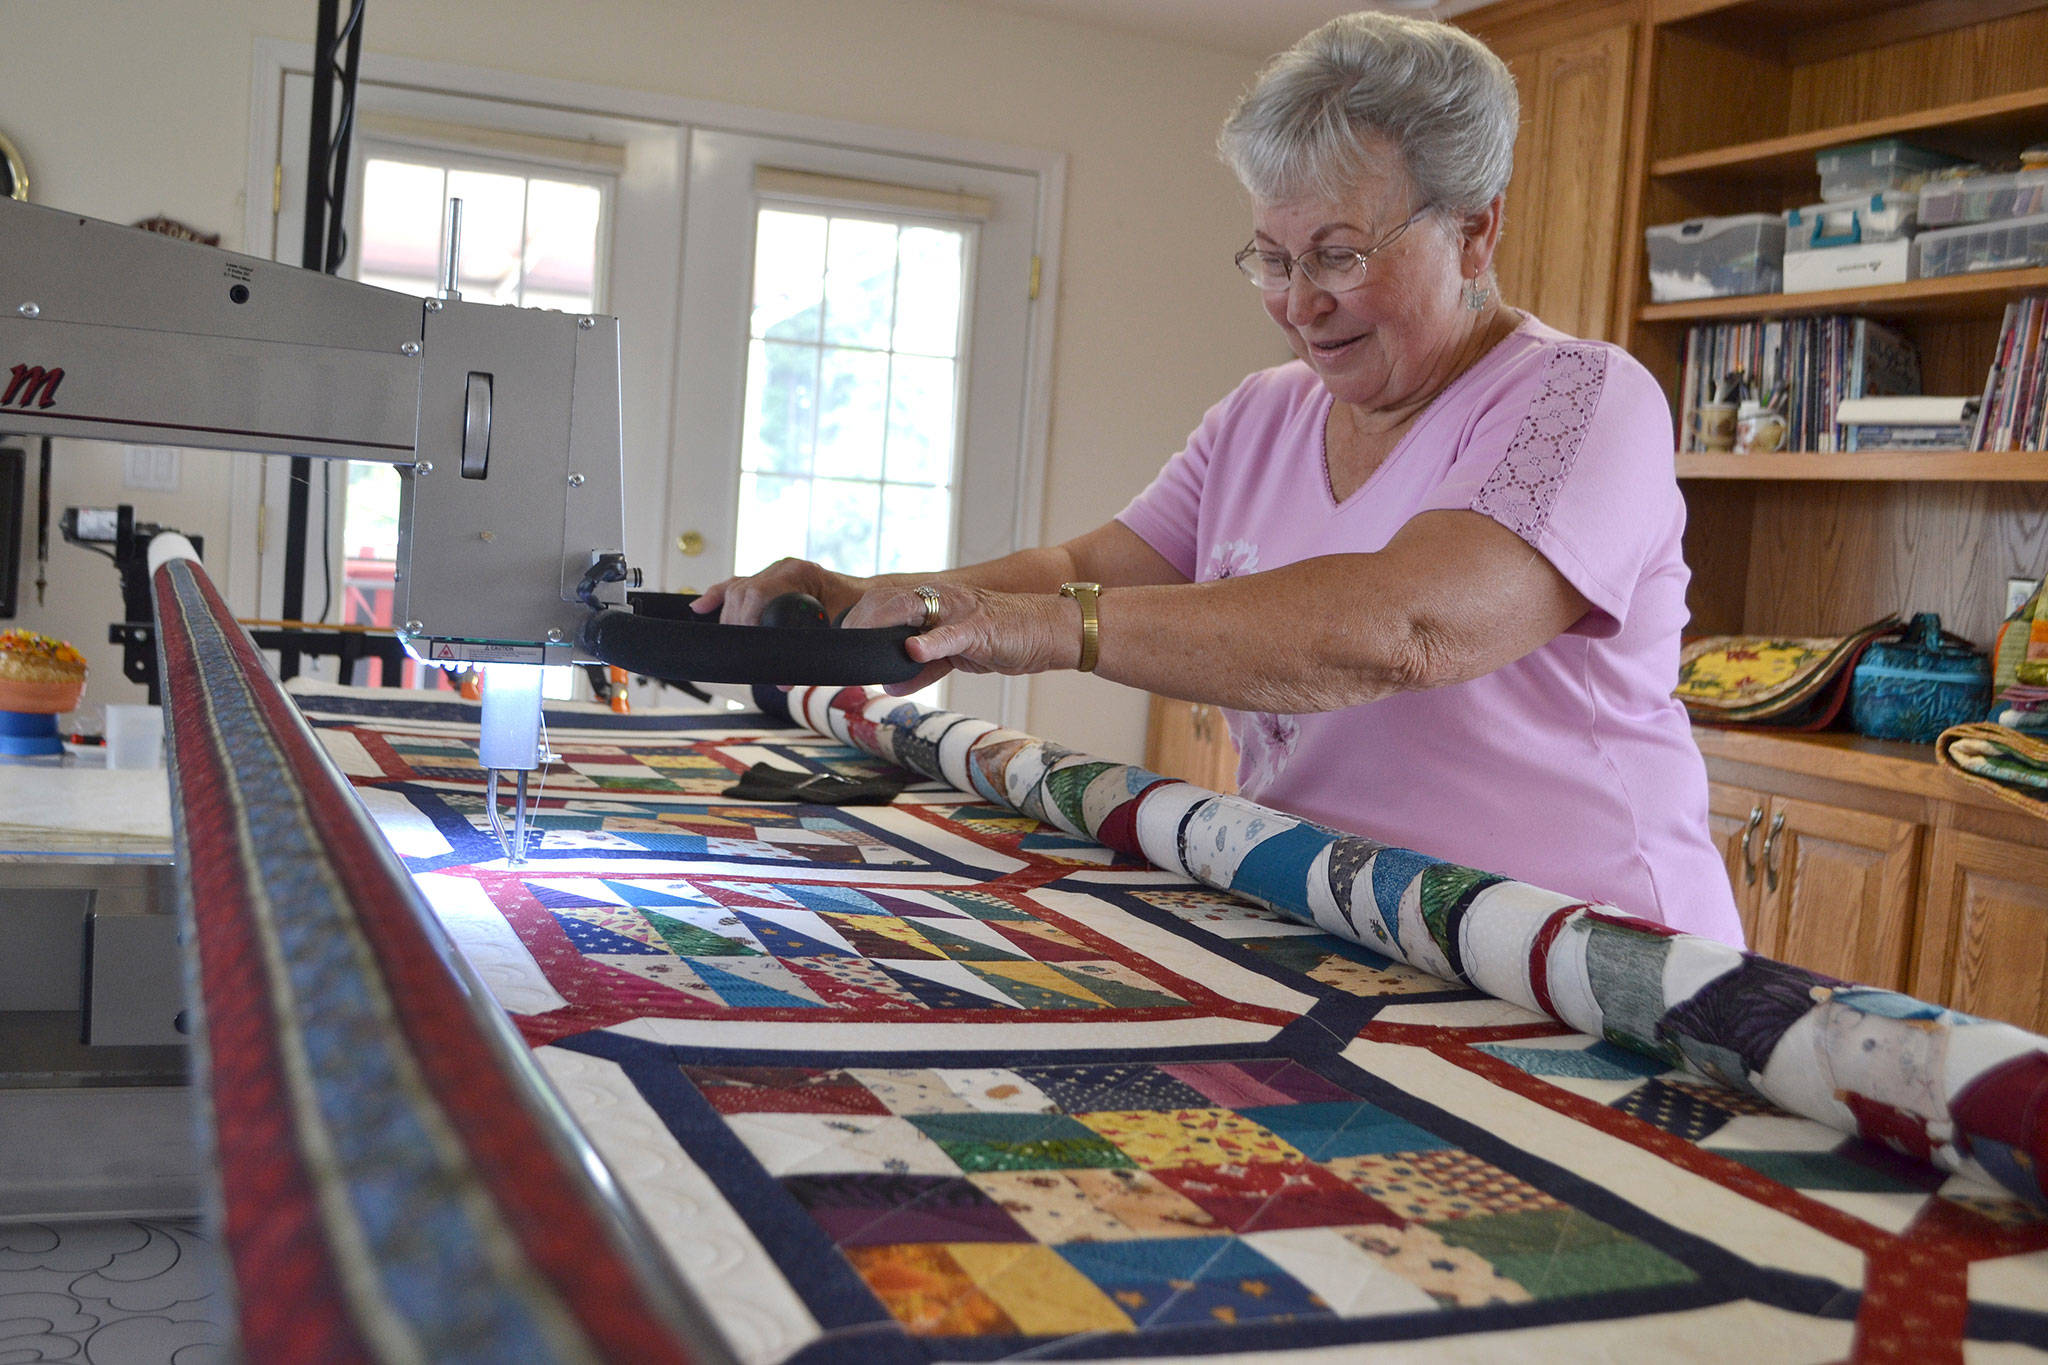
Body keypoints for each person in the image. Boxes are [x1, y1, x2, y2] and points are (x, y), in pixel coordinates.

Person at [696, 12, 1744, 946]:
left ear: (1473, 229)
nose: (1298, 304)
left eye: (1336, 255)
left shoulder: (1579, 400)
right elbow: (1080, 566)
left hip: (1581, 951)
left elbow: (1409, 628)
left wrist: (1041, 626)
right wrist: (894, 604)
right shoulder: (1263, 412)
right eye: (1270, 258)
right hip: (1347, 918)